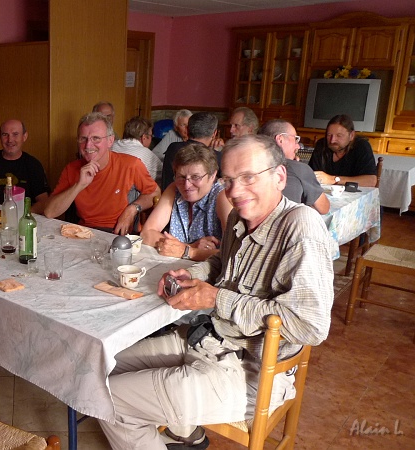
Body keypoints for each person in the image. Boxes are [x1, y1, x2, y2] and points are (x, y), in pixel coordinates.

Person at [99, 134, 335, 449]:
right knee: (102, 365)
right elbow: (222, 264)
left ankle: (175, 429)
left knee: (110, 401)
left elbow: (311, 325)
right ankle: (189, 435)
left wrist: (215, 298)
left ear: (279, 177)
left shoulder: (301, 227)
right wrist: (189, 273)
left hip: (251, 372)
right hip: (209, 340)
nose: (236, 191)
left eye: (248, 178)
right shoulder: (241, 217)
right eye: (229, 180)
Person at [43, 112, 159, 235]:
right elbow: (49, 212)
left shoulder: (131, 164)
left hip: (119, 235)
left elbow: (155, 193)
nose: (88, 145)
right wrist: (79, 185)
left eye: (96, 138)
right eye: (83, 139)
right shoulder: (71, 169)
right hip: (84, 234)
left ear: (110, 141)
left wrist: (132, 209)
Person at [140, 143, 231, 262]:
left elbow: (231, 253)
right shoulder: (174, 189)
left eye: (195, 177)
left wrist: (185, 251)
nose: (187, 185)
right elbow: (146, 234)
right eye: (181, 177)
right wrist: (190, 248)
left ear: (212, 175)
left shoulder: (221, 196)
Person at [0, 119, 50, 214]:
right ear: (0, 137)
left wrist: (23, 215)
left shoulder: (33, 164)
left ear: (24, 136)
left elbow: (43, 202)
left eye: (15, 134)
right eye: (5, 135)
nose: (10, 140)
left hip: (22, 218)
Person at [259, 119, 330, 214]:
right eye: (295, 139)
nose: (298, 146)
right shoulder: (299, 169)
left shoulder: (252, 165)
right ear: (280, 139)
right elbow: (324, 208)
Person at [309, 114, 377, 187]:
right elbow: (310, 174)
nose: (332, 140)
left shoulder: (362, 146)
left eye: (339, 135)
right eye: (329, 135)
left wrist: (333, 179)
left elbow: (371, 180)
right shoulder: (321, 145)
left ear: (351, 136)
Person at [161, 112, 221, 191]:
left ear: (187, 130)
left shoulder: (173, 148)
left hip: (168, 197)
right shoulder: (216, 156)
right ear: (214, 133)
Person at [112, 116, 163, 183]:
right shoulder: (147, 154)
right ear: (144, 137)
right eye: (151, 136)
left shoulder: (112, 145)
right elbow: (162, 174)